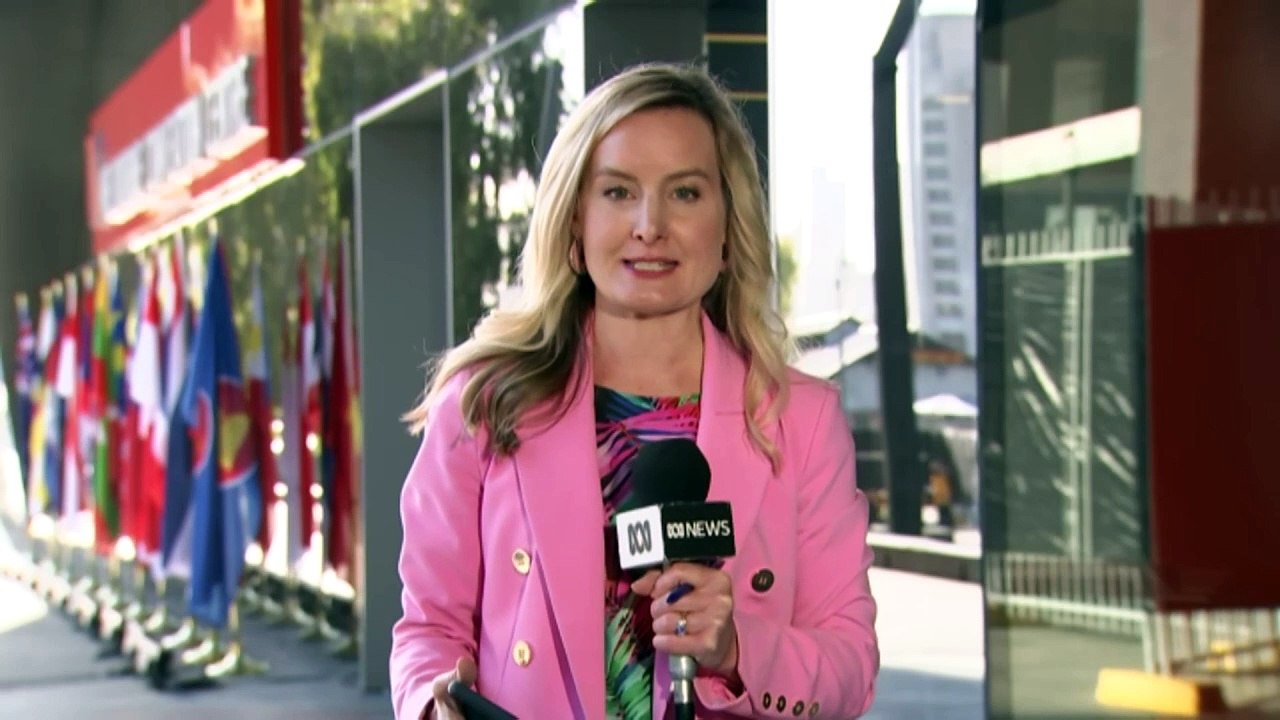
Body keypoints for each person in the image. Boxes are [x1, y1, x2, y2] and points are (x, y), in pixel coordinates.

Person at [390, 62, 879, 720]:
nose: (650, 225)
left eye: (684, 193)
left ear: (728, 231)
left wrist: (737, 648)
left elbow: (850, 665)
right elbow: (426, 630)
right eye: (619, 192)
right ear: (573, 228)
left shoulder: (801, 420)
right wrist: (432, 704)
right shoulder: (484, 404)